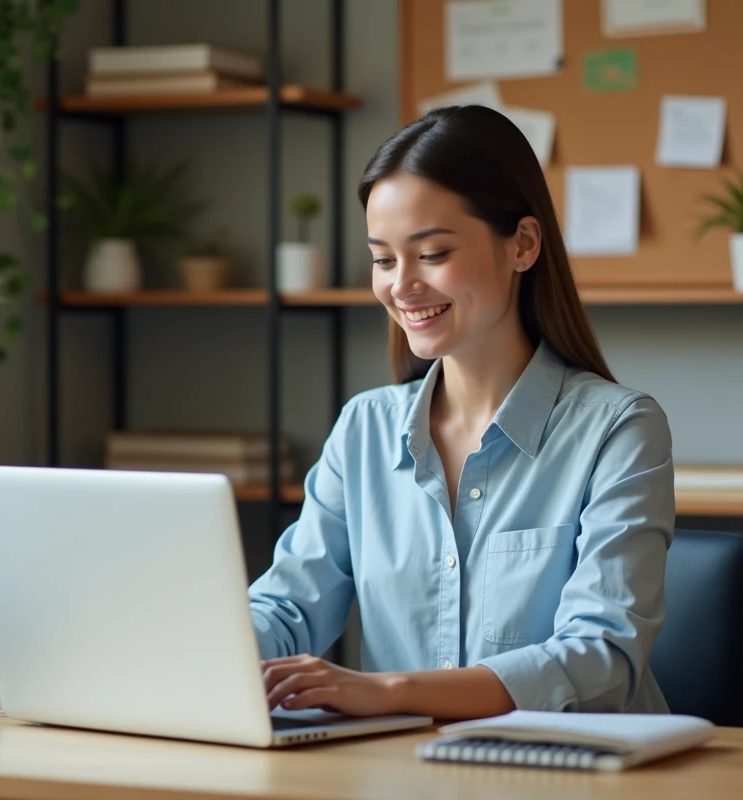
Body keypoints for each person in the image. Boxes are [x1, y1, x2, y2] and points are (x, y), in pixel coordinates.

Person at [248, 104, 675, 721]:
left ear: (522, 245)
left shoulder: (619, 429)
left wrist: (390, 692)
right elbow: (289, 608)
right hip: (404, 765)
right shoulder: (364, 428)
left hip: (572, 763)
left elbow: (599, 657)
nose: (401, 286)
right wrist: (207, 650)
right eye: (383, 259)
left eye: (432, 253)